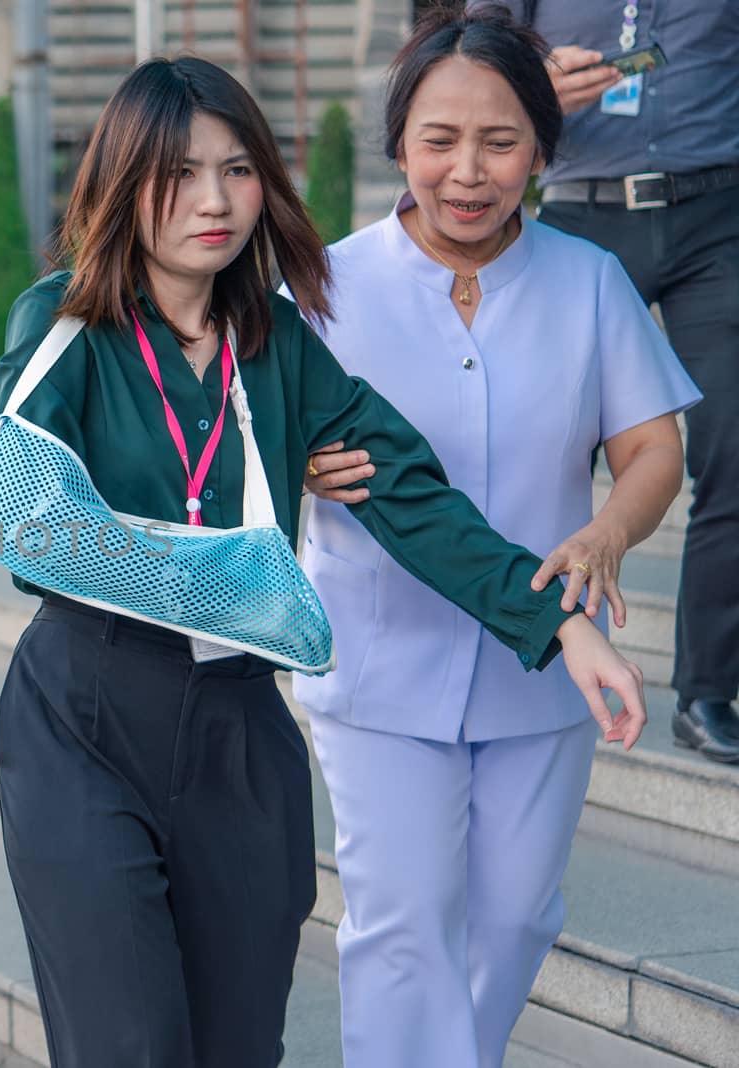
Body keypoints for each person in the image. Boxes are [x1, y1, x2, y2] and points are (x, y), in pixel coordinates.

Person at [0, 54, 649, 1068]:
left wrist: (561, 626)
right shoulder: (62, 322)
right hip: (86, 714)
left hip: (241, 733)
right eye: (180, 172)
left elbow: (414, 501)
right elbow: (28, 523)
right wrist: (235, 563)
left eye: (239, 169)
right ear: (122, 181)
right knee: (131, 1044)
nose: (214, 201)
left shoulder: (279, 343)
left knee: (240, 1043)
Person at [297, 10, 700, 1067]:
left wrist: (609, 532)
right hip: (379, 658)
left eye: (499, 141)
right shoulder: (324, 292)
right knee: (402, 925)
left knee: (518, 918)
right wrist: (287, 466)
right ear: (399, 145)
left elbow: (653, 449)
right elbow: (241, 440)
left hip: (547, 665)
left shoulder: (588, 281)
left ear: (540, 151)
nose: (466, 172)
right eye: (438, 140)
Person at [463, 0, 739, 762]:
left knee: (735, 450)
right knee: (531, 443)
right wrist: (533, 82)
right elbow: (471, 64)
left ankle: (709, 690)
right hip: (584, 213)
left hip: (717, 213)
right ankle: (514, 639)